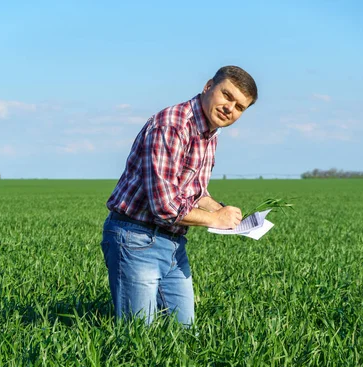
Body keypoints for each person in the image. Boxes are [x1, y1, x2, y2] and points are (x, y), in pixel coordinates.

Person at [101, 65, 258, 325]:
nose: (230, 108)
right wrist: (215, 219)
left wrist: (221, 210)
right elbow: (164, 205)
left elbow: (194, 191)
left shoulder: (209, 134)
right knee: (139, 335)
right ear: (208, 86)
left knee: (183, 334)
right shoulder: (172, 126)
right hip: (136, 238)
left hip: (173, 244)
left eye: (240, 107)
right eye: (227, 96)